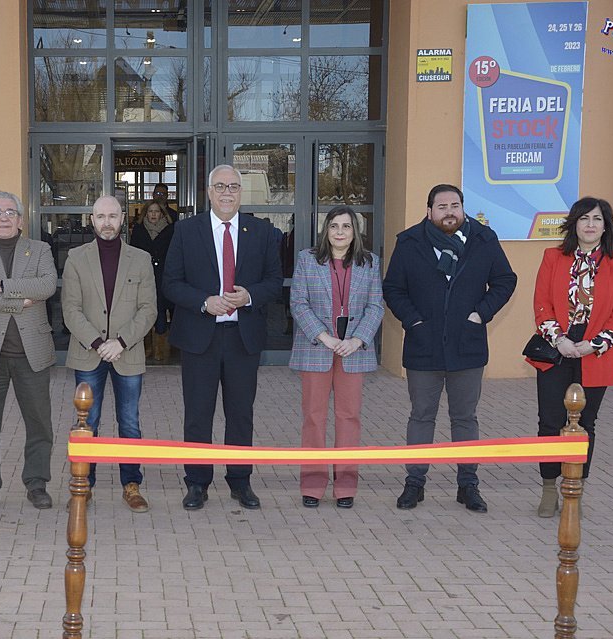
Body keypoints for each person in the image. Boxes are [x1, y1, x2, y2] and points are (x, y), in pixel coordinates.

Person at [383, 184, 517, 513]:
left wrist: (480, 314)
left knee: (465, 418)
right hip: (423, 347)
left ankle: (468, 485)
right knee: (421, 416)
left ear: (463, 208)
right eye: (441, 206)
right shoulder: (410, 242)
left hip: (467, 347)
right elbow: (393, 288)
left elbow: (505, 280)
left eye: (455, 205)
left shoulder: (483, 239)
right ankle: (414, 483)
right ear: (429, 211)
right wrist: (413, 321)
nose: (449, 212)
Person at [163, 164, 284, 510]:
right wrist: (204, 302)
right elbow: (170, 283)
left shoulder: (261, 231)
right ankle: (197, 482)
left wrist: (250, 296)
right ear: (209, 192)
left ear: (241, 192)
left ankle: (240, 481)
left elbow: (275, 281)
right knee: (198, 414)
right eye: (220, 186)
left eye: (233, 186)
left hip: (242, 339)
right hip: (200, 338)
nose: (227, 192)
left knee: (241, 414)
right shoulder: (186, 231)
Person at [530, 196, 613, 517]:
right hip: (556, 349)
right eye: (584, 218)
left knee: (585, 424)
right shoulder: (553, 257)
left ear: (606, 227)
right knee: (550, 422)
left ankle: (575, 491)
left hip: (595, 354)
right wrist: (559, 339)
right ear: (574, 224)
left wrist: (595, 344)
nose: (590, 224)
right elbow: (542, 304)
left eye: (597, 219)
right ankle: (549, 489)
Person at [63, 195, 158, 512]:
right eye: (101, 216)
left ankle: (132, 485)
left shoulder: (140, 259)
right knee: (87, 423)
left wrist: (121, 341)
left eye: (113, 216)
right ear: (92, 220)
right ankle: (84, 486)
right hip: (88, 354)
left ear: (122, 219)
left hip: (126, 353)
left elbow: (148, 309)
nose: (107, 222)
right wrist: (97, 342)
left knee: (129, 423)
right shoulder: (76, 258)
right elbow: (70, 309)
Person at [0, 191, 58, 511]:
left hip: (32, 354)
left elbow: (47, 285)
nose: (3, 217)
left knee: (39, 424)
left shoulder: (41, 249)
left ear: (20, 218)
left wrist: (3, 286)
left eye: (10, 212)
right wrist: (20, 301)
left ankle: (37, 483)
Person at [289, 206, 385, 509]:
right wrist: (324, 336)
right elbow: (298, 303)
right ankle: (313, 485)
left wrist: (357, 339)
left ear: (355, 231)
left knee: (349, 418)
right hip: (317, 348)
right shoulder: (307, 260)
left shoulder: (370, 263)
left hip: (353, 351)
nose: (340, 232)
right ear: (326, 230)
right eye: (334, 226)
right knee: (313, 418)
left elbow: (376, 306)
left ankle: (345, 487)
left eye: (346, 226)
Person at [128, 199, 175, 361]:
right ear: (145, 214)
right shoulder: (139, 230)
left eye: (156, 211)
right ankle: (146, 348)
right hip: (143, 277)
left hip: (163, 276)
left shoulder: (171, 230)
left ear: (162, 214)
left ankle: (161, 351)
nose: (153, 214)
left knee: (161, 310)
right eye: (150, 211)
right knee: (143, 311)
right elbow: (132, 254)